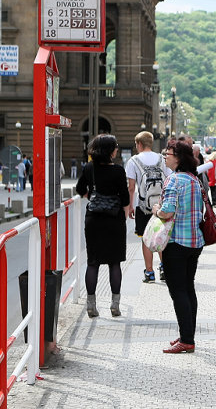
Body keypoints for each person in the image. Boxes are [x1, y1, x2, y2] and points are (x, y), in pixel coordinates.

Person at [151, 140, 204, 354]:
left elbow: (168, 211)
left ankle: (187, 340)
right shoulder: (194, 179)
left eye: (168, 153)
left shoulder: (173, 180)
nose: (165, 156)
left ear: (178, 157)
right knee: (188, 287)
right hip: (195, 242)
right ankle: (187, 334)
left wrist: (156, 209)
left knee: (177, 290)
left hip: (176, 243)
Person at [76, 135, 129, 318]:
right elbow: (125, 199)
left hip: (93, 220)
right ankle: (115, 305)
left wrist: (93, 198)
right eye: (115, 147)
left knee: (93, 262)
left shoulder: (89, 168)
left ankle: (91, 305)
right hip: (114, 220)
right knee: (114, 263)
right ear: (109, 150)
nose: (117, 149)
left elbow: (80, 189)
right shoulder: (118, 171)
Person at [125, 131, 170, 283]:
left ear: (139, 144)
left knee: (146, 239)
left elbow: (131, 187)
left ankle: (149, 272)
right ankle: (164, 268)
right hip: (161, 205)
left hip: (143, 206)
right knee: (162, 236)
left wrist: (131, 206)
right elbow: (168, 179)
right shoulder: (161, 159)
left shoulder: (133, 161)